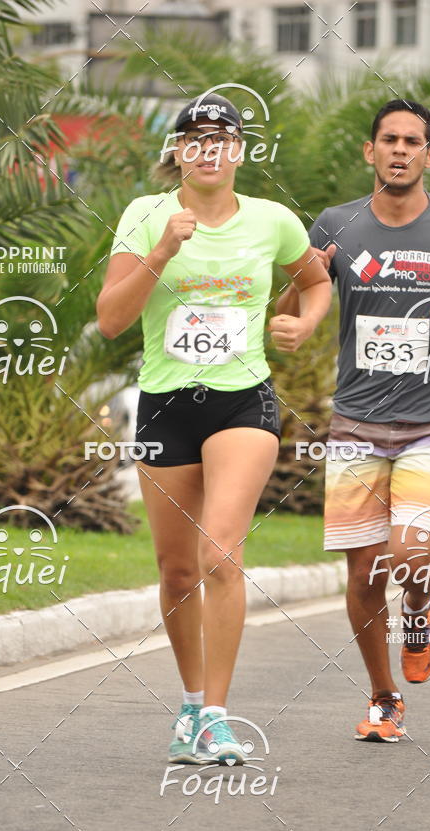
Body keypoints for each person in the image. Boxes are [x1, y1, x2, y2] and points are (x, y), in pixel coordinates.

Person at [96, 93, 332, 763]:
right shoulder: (145, 216)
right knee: (176, 571)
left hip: (243, 401)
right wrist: (163, 251)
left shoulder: (273, 220)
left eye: (220, 138)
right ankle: (192, 702)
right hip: (165, 406)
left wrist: (305, 320)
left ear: (239, 151)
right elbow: (111, 319)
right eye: (194, 138)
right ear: (177, 152)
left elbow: (315, 282)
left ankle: (218, 718)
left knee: (219, 555)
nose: (207, 149)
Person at [278, 99, 430, 742]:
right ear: (370, 151)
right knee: (360, 575)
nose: (401, 150)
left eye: (414, 141)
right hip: (355, 419)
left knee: (412, 556)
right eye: (389, 139)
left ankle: (419, 607)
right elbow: (296, 293)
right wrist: (303, 291)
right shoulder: (337, 222)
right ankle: (384, 697)